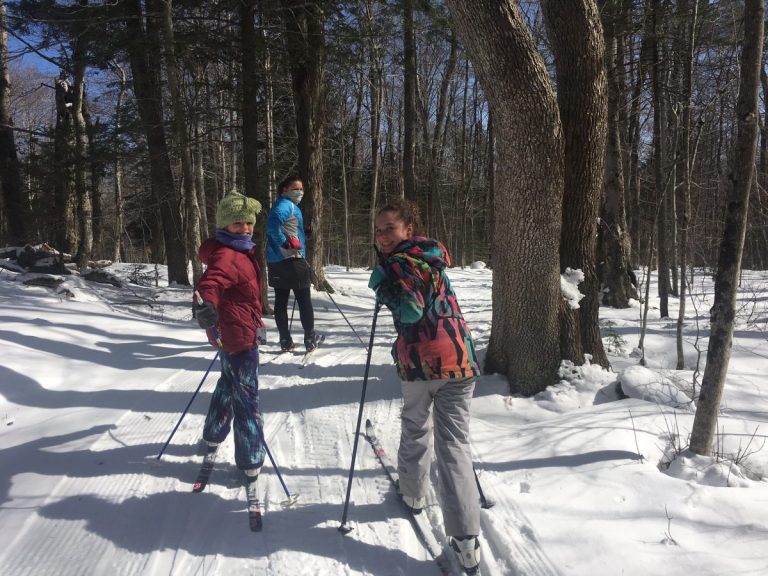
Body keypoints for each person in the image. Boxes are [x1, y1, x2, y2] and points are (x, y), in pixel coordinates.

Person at [368, 199, 482, 574]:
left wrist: (384, 290)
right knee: (455, 445)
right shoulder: (431, 256)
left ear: (408, 230)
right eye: (379, 230)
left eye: (390, 228)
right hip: (461, 359)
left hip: (424, 364)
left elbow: (412, 309)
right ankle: (466, 538)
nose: (383, 235)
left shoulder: (401, 263)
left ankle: (414, 494)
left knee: (417, 426)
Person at [194, 191, 266, 484]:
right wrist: (207, 306)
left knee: (227, 383)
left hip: (231, 333)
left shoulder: (236, 250)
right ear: (224, 225)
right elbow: (210, 283)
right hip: (239, 338)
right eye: (238, 223)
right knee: (247, 397)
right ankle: (251, 459)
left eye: (248, 223)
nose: (245, 228)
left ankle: (213, 434)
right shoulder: (229, 254)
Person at [266, 175, 321, 352]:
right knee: (303, 300)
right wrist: (285, 243)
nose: (299, 192)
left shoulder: (285, 206)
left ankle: (285, 340)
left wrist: (304, 233)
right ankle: (310, 339)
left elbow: (286, 228)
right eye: (295, 189)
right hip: (293, 260)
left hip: (276, 261)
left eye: (301, 189)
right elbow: (272, 227)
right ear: (285, 190)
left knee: (281, 301)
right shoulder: (286, 205)